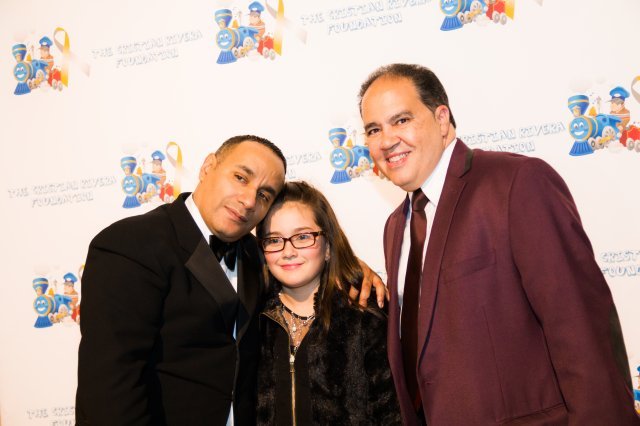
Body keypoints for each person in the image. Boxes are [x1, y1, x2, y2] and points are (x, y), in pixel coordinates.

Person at [358, 63, 640, 425]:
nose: (386, 140)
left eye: (401, 120)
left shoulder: (516, 184)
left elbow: (581, 331)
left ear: (441, 119)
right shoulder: (396, 226)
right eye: (373, 129)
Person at [76, 135, 384, 426]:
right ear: (207, 167)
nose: (249, 200)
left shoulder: (256, 255)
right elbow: (109, 387)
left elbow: (305, 260)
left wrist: (350, 269)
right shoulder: (131, 244)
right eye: (241, 177)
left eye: (264, 195)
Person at [255, 181, 401, 425]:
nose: (288, 251)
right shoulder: (251, 318)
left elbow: (391, 412)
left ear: (328, 247)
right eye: (274, 240)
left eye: (303, 236)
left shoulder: (362, 315)